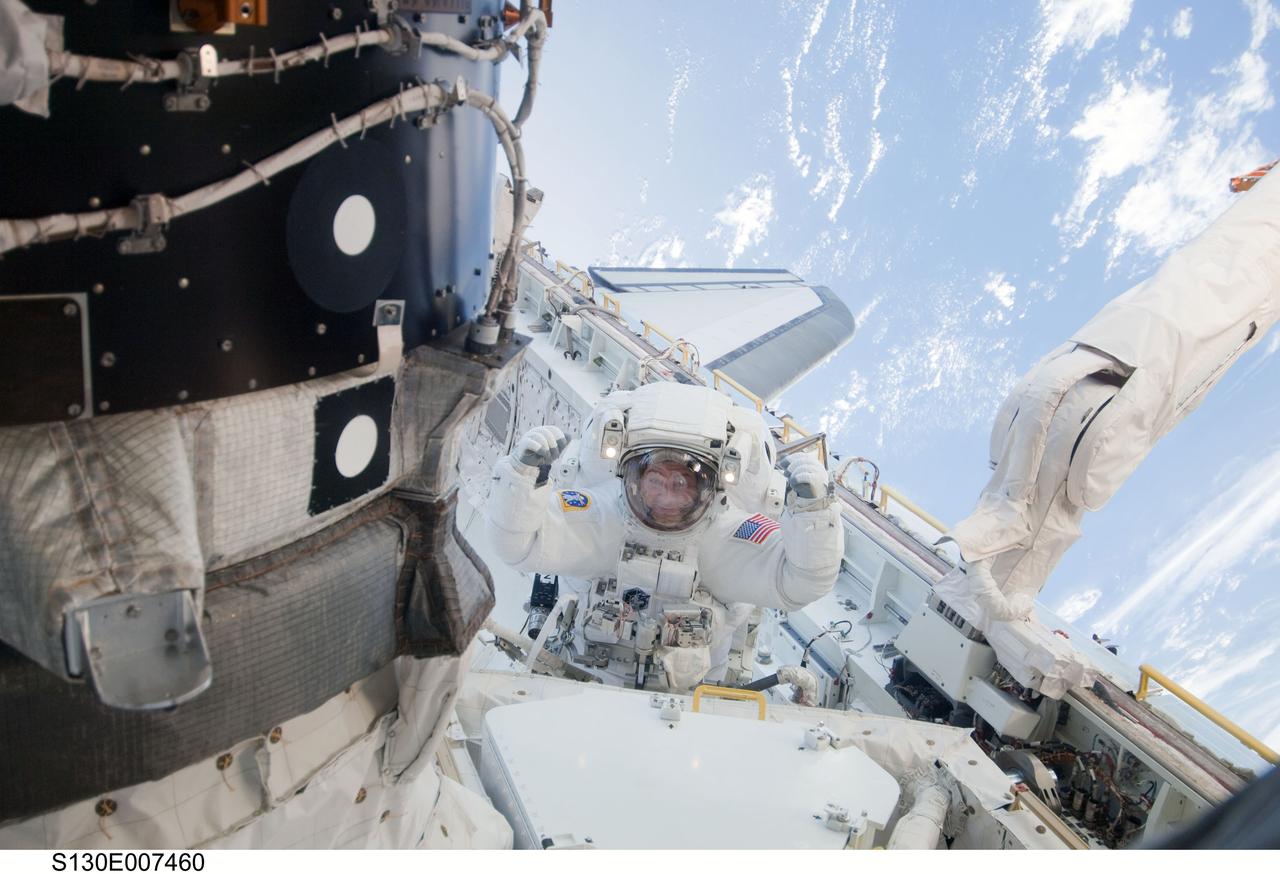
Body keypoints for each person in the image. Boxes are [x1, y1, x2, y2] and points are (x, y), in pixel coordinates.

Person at [485, 381, 844, 691]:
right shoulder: (603, 515)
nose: (667, 498)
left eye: (681, 484)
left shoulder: (730, 534)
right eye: (655, 482)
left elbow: (802, 582)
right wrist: (521, 477)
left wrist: (814, 513)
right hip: (579, 675)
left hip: (694, 694)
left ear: (710, 487)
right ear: (632, 479)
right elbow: (518, 544)